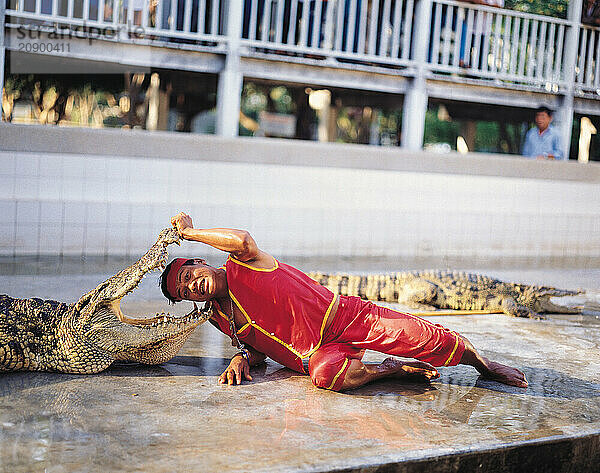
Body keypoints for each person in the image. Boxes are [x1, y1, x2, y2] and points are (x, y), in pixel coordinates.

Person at [160, 212, 528, 392]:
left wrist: (190, 232)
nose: (193, 286)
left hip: (345, 317)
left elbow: (242, 239)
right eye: (184, 291)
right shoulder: (217, 316)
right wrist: (242, 357)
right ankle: (392, 369)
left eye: (188, 276)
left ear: (198, 262)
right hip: (315, 357)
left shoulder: (241, 261)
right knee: (325, 377)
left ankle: (485, 364)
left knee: (431, 340)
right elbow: (256, 348)